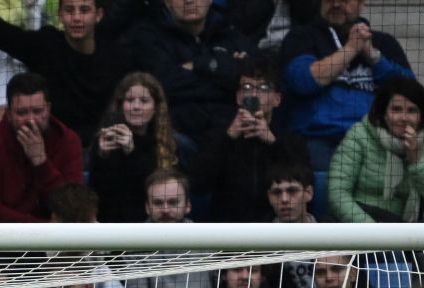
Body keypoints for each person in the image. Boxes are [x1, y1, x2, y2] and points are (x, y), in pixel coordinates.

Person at [277, 0, 413, 177]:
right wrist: (351, 49)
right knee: (323, 182)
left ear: (361, 3)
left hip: (375, 142)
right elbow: (303, 81)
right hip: (319, 140)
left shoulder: (384, 43)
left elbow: (410, 95)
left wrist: (375, 58)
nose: (335, 4)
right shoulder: (301, 37)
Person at [0, 0, 128, 140]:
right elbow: (8, 36)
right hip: (54, 146)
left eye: (84, 10)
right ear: (60, 15)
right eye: (69, 10)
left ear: (99, 15)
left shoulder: (113, 56)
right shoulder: (47, 45)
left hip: (98, 145)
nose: (76, 17)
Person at [192, 56, 309, 223]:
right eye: (247, 88)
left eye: (263, 88)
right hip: (229, 233)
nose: (254, 95)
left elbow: (306, 185)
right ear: (238, 96)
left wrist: (273, 142)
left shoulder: (292, 140)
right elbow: (197, 184)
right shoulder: (217, 136)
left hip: (277, 231)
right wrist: (228, 137)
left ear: (277, 99)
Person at [326, 74, 424, 224]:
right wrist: (374, 231)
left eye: (412, 111)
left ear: (422, 117)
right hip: (367, 221)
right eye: (396, 109)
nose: (404, 117)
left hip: (410, 224)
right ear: (383, 113)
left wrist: (416, 160)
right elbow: (337, 195)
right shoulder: (359, 135)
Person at [125, 0, 254, 146]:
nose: (189, 1)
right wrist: (224, 75)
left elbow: (252, 78)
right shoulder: (148, 36)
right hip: (178, 136)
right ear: (167, 3)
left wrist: (198, 65)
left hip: (232, 132)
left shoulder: (228, 31)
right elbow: (163, 86)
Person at [0, 72, 82, 222]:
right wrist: (42, 228)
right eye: (21, 113)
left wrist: (41, 163)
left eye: (37, 111)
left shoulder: (68, 140)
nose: (30, 120)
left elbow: (74, 208)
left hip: (54, 238)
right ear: (9, 113)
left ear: (48, 109)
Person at [87, 72, 178, 223]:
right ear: (121, 105)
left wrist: (131, 152)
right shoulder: (106, 138)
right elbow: (98, 194)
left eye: (144, 101)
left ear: (156, 107)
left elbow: (157, 192)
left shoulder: (166, 143)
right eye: (130, 100)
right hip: (110, 225)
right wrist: (102, 157)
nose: (136, 107)